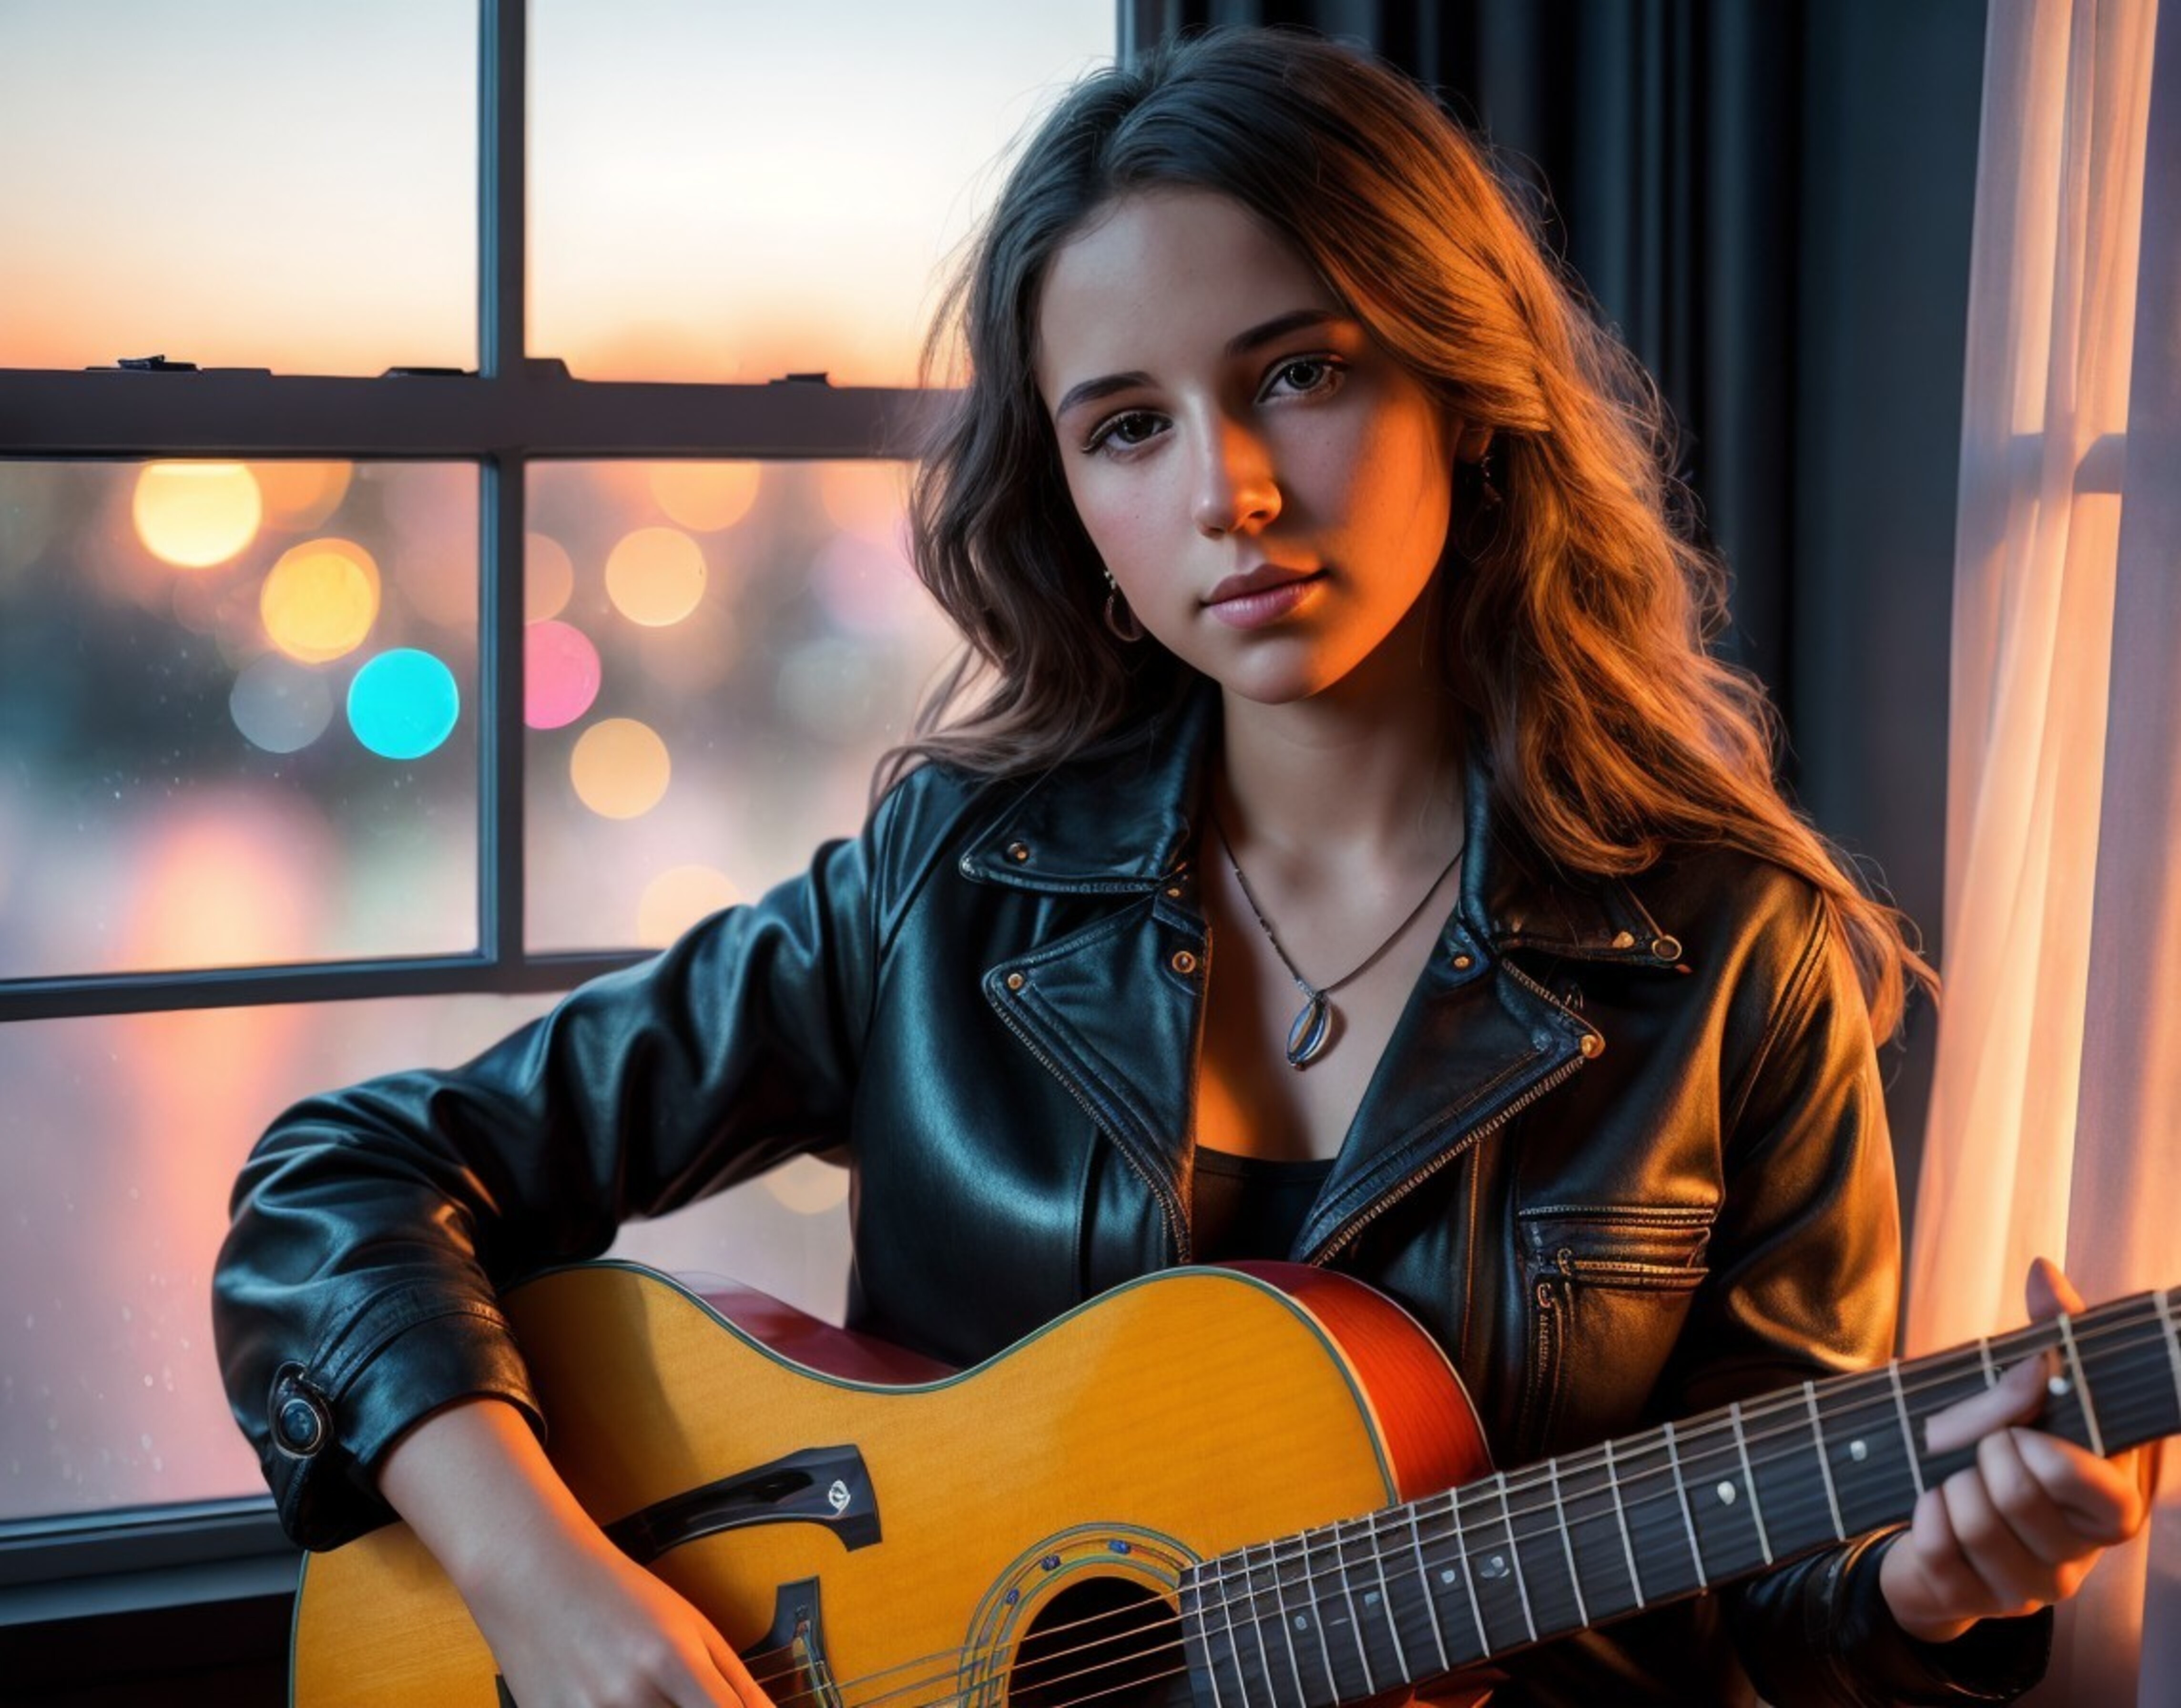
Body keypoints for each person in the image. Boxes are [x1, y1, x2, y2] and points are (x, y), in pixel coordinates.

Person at [212, 27, 2144, 1708]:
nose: (1223, 489)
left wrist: (1924, 1581)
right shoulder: (947, 887)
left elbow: (1776, 1604)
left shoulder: (1741, 954)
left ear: (1461, 387)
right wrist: (553, 1593)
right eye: (1127, 427)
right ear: (1071, 502)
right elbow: (343, 1185)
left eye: (1297, 374)